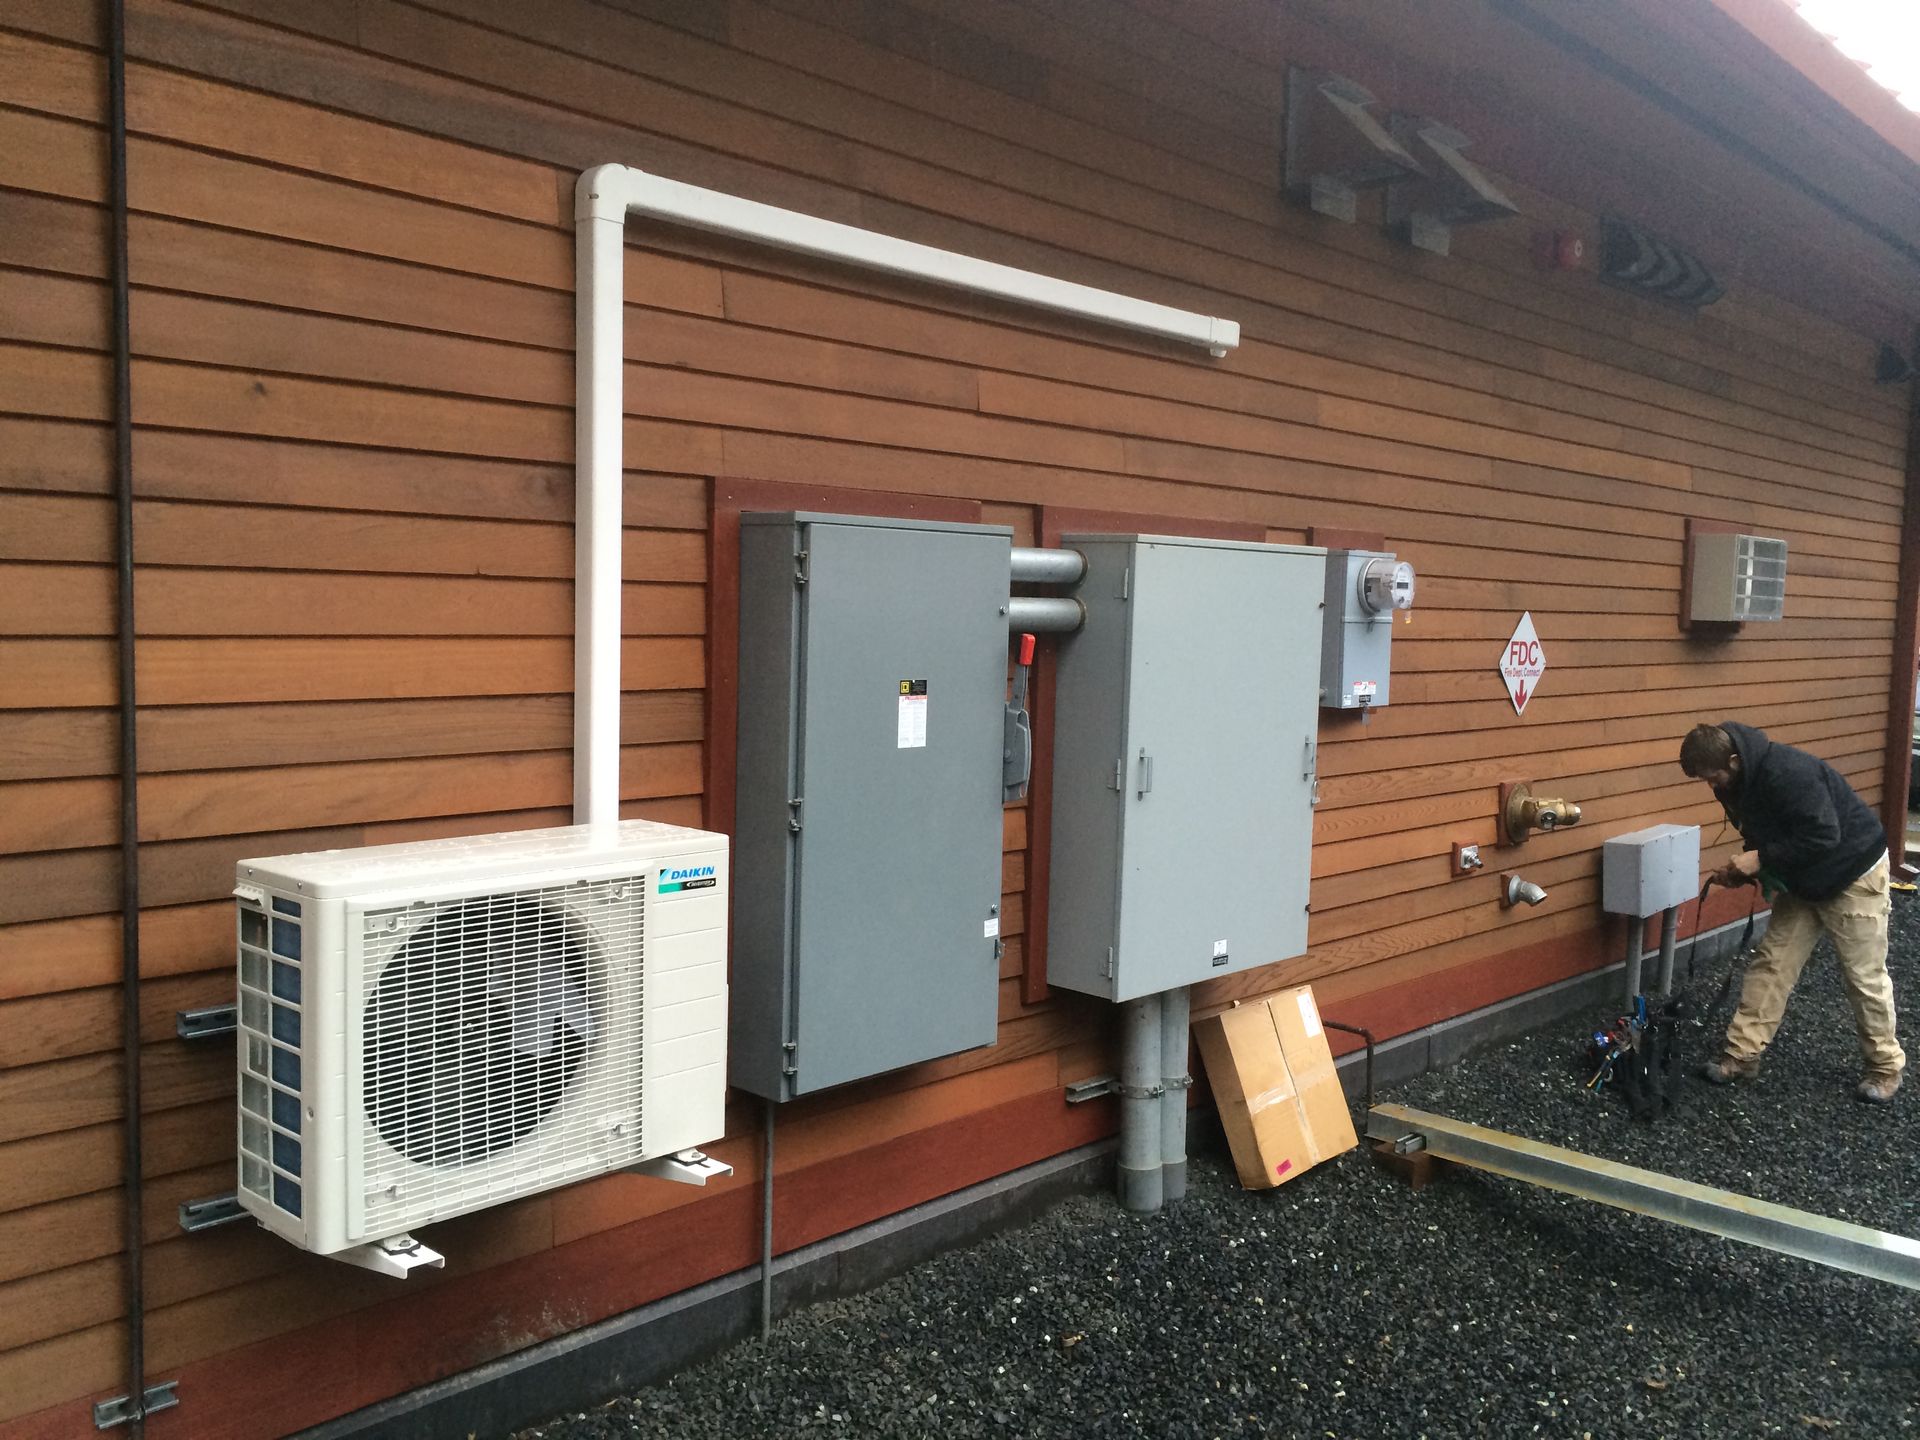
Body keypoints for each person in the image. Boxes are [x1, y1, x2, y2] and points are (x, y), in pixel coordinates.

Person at [1677, 722, 1904, 1101]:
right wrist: (1744, 872)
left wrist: (1761, 859)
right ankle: (1742, 1055)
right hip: (1804, 879)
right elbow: (1764, 834)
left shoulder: (1788, 773)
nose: (1710, 785)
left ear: (1733, 760)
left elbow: (1824, 835)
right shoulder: (1733, 784)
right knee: (1772, 964)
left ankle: (1885, 1068)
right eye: (1704, 779)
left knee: (1864, 976)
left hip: (1853, 871)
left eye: (1713, 776)